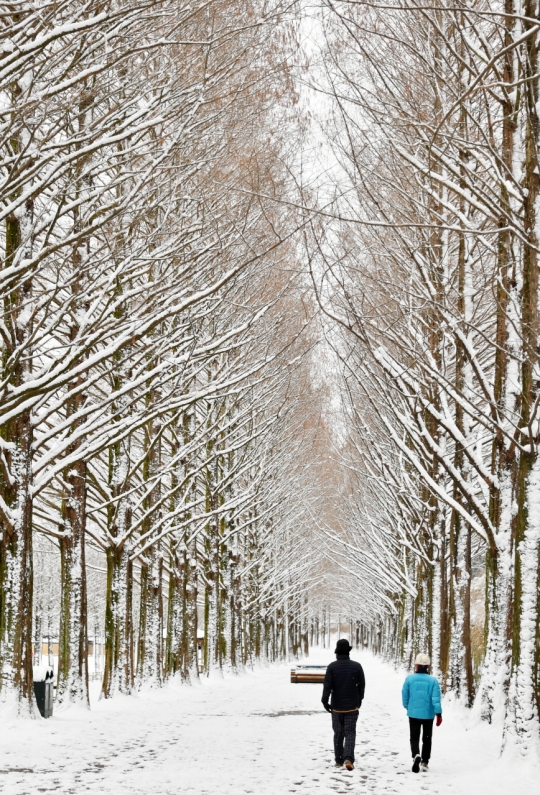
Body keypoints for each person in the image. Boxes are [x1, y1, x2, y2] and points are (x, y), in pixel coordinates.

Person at [321, 638, 365, 771]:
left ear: (337, 653)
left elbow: (327, 685)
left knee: (338, 733)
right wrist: (359, 700)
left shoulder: (332, 667)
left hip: (337, 707)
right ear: (348, 652)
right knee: (350, 732)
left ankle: (339, 760)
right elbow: (362, 685)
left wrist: (325, 701)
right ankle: (348, 758)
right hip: (352, 706)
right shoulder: (357, 666)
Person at [402, 652, 442, 773]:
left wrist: (408, 707)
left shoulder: (409, 679)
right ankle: (425, 761)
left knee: (414, 737)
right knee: (427, 738)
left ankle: (416, 755)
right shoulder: (433, 681)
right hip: (428, 715)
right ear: (428, 666)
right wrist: (438, 713)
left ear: (416, 665)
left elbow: (404, 696)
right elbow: (436, 699)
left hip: (413, 714)